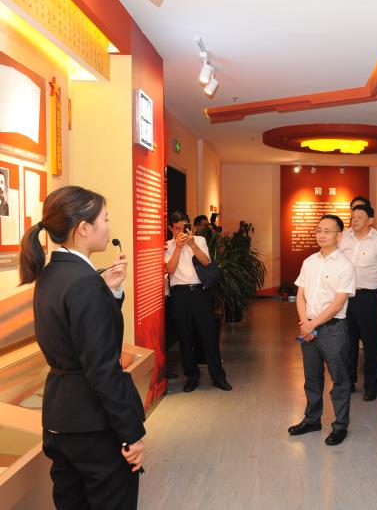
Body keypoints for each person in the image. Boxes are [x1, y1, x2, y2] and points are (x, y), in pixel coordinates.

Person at [19, 186, 145, 509]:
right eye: (105, 219)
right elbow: (102, 369)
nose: (109, 227)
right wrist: (131, 433)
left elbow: (77, 335)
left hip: (60, 418)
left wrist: (108, 292)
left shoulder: (50, 274)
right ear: (84, 229)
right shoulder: (85, 283)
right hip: (93, 424)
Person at [289, 214, 356, 446]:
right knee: (312, 377)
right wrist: (304, 323)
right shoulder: (309, 262)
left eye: (327, 231)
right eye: (319, 230)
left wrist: (312, 324)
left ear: (339, 236)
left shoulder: (345, 266)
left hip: (333, 330)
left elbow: (338, 304)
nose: (322, 234)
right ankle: (312, 419)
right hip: (308, 328)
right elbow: (300, 295)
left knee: (339, 379)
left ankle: (340, 425)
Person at [165, 211, 232, 392]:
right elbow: (170, 269)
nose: (182, 232)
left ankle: (218, 376)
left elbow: (206, 262)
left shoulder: (199, 240)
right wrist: (178, 248)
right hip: (180, 294)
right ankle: (192, 377)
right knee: (185, 337)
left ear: (191, 227)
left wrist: (192, 245)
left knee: (209, 335)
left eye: (185, 227)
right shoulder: (168, 245)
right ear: (171, 228)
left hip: (200, 293)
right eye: (177, 228)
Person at [339, 203, 377, 400]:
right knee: (348, 341)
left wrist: (371, 288)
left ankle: (371, 384)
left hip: (367, 297)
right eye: (353, 217)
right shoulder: (344, 239)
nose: (354, 220)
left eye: (360, 217)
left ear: (370, 221)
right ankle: (349, 381)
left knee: (370, 341)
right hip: (345, 297)